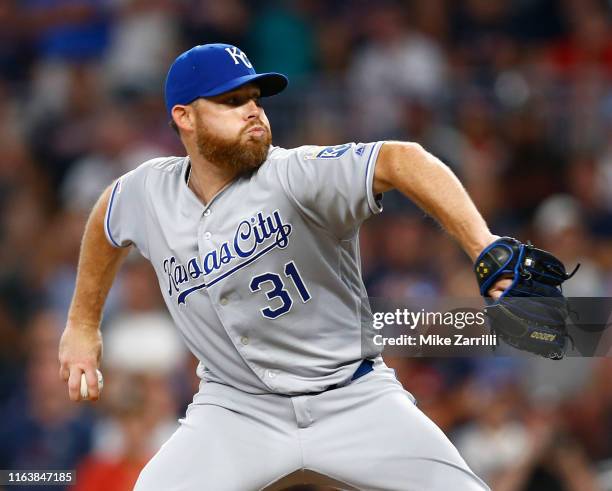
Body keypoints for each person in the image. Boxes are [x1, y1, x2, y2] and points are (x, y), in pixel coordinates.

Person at [59, 43, 509, 490]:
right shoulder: (149, 191)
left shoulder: (296, 175)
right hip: (236, 412)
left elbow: (401, 159)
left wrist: (483, 245)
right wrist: (82, 323)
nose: (252, 111)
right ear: (184, 117)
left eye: (255, 98)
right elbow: (107, 218)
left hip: (352, 398)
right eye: (231, 101)